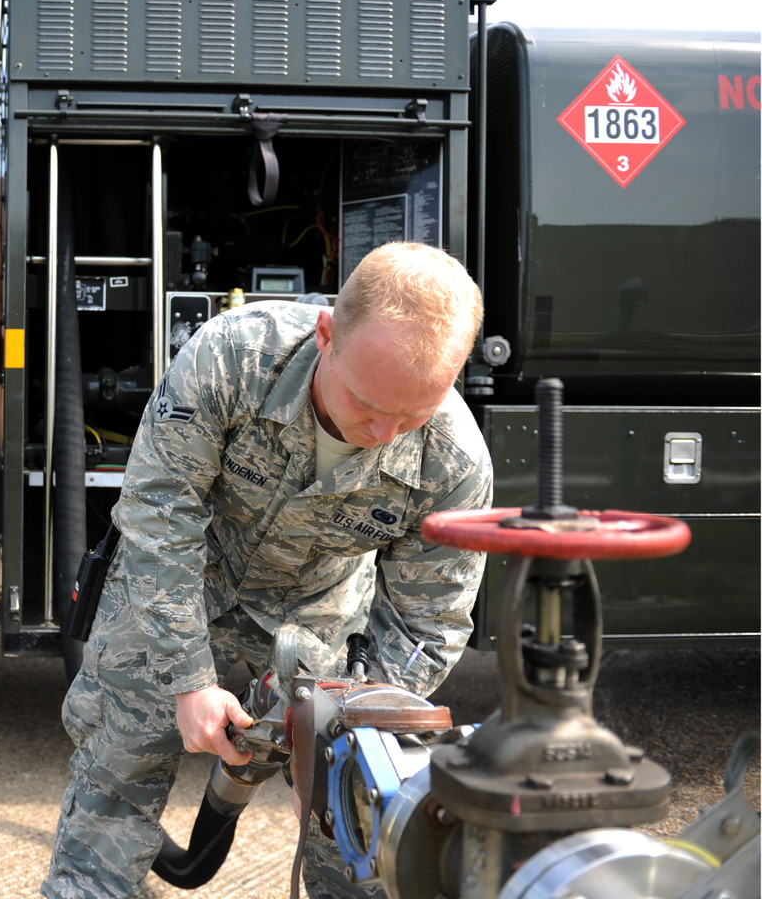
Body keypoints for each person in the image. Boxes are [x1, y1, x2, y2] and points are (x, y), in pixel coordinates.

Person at [41, 241, 493, 899]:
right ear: (327, 334)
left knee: (362, 809)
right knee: (115, 772)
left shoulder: (453, 461)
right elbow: (159, 516)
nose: (384, 432)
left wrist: (354, 731)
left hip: (318, 613)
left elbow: (428, 622)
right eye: (366, 403)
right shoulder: (232, 356)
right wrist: (189, 680)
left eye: (413, 413)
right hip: (181, 584)